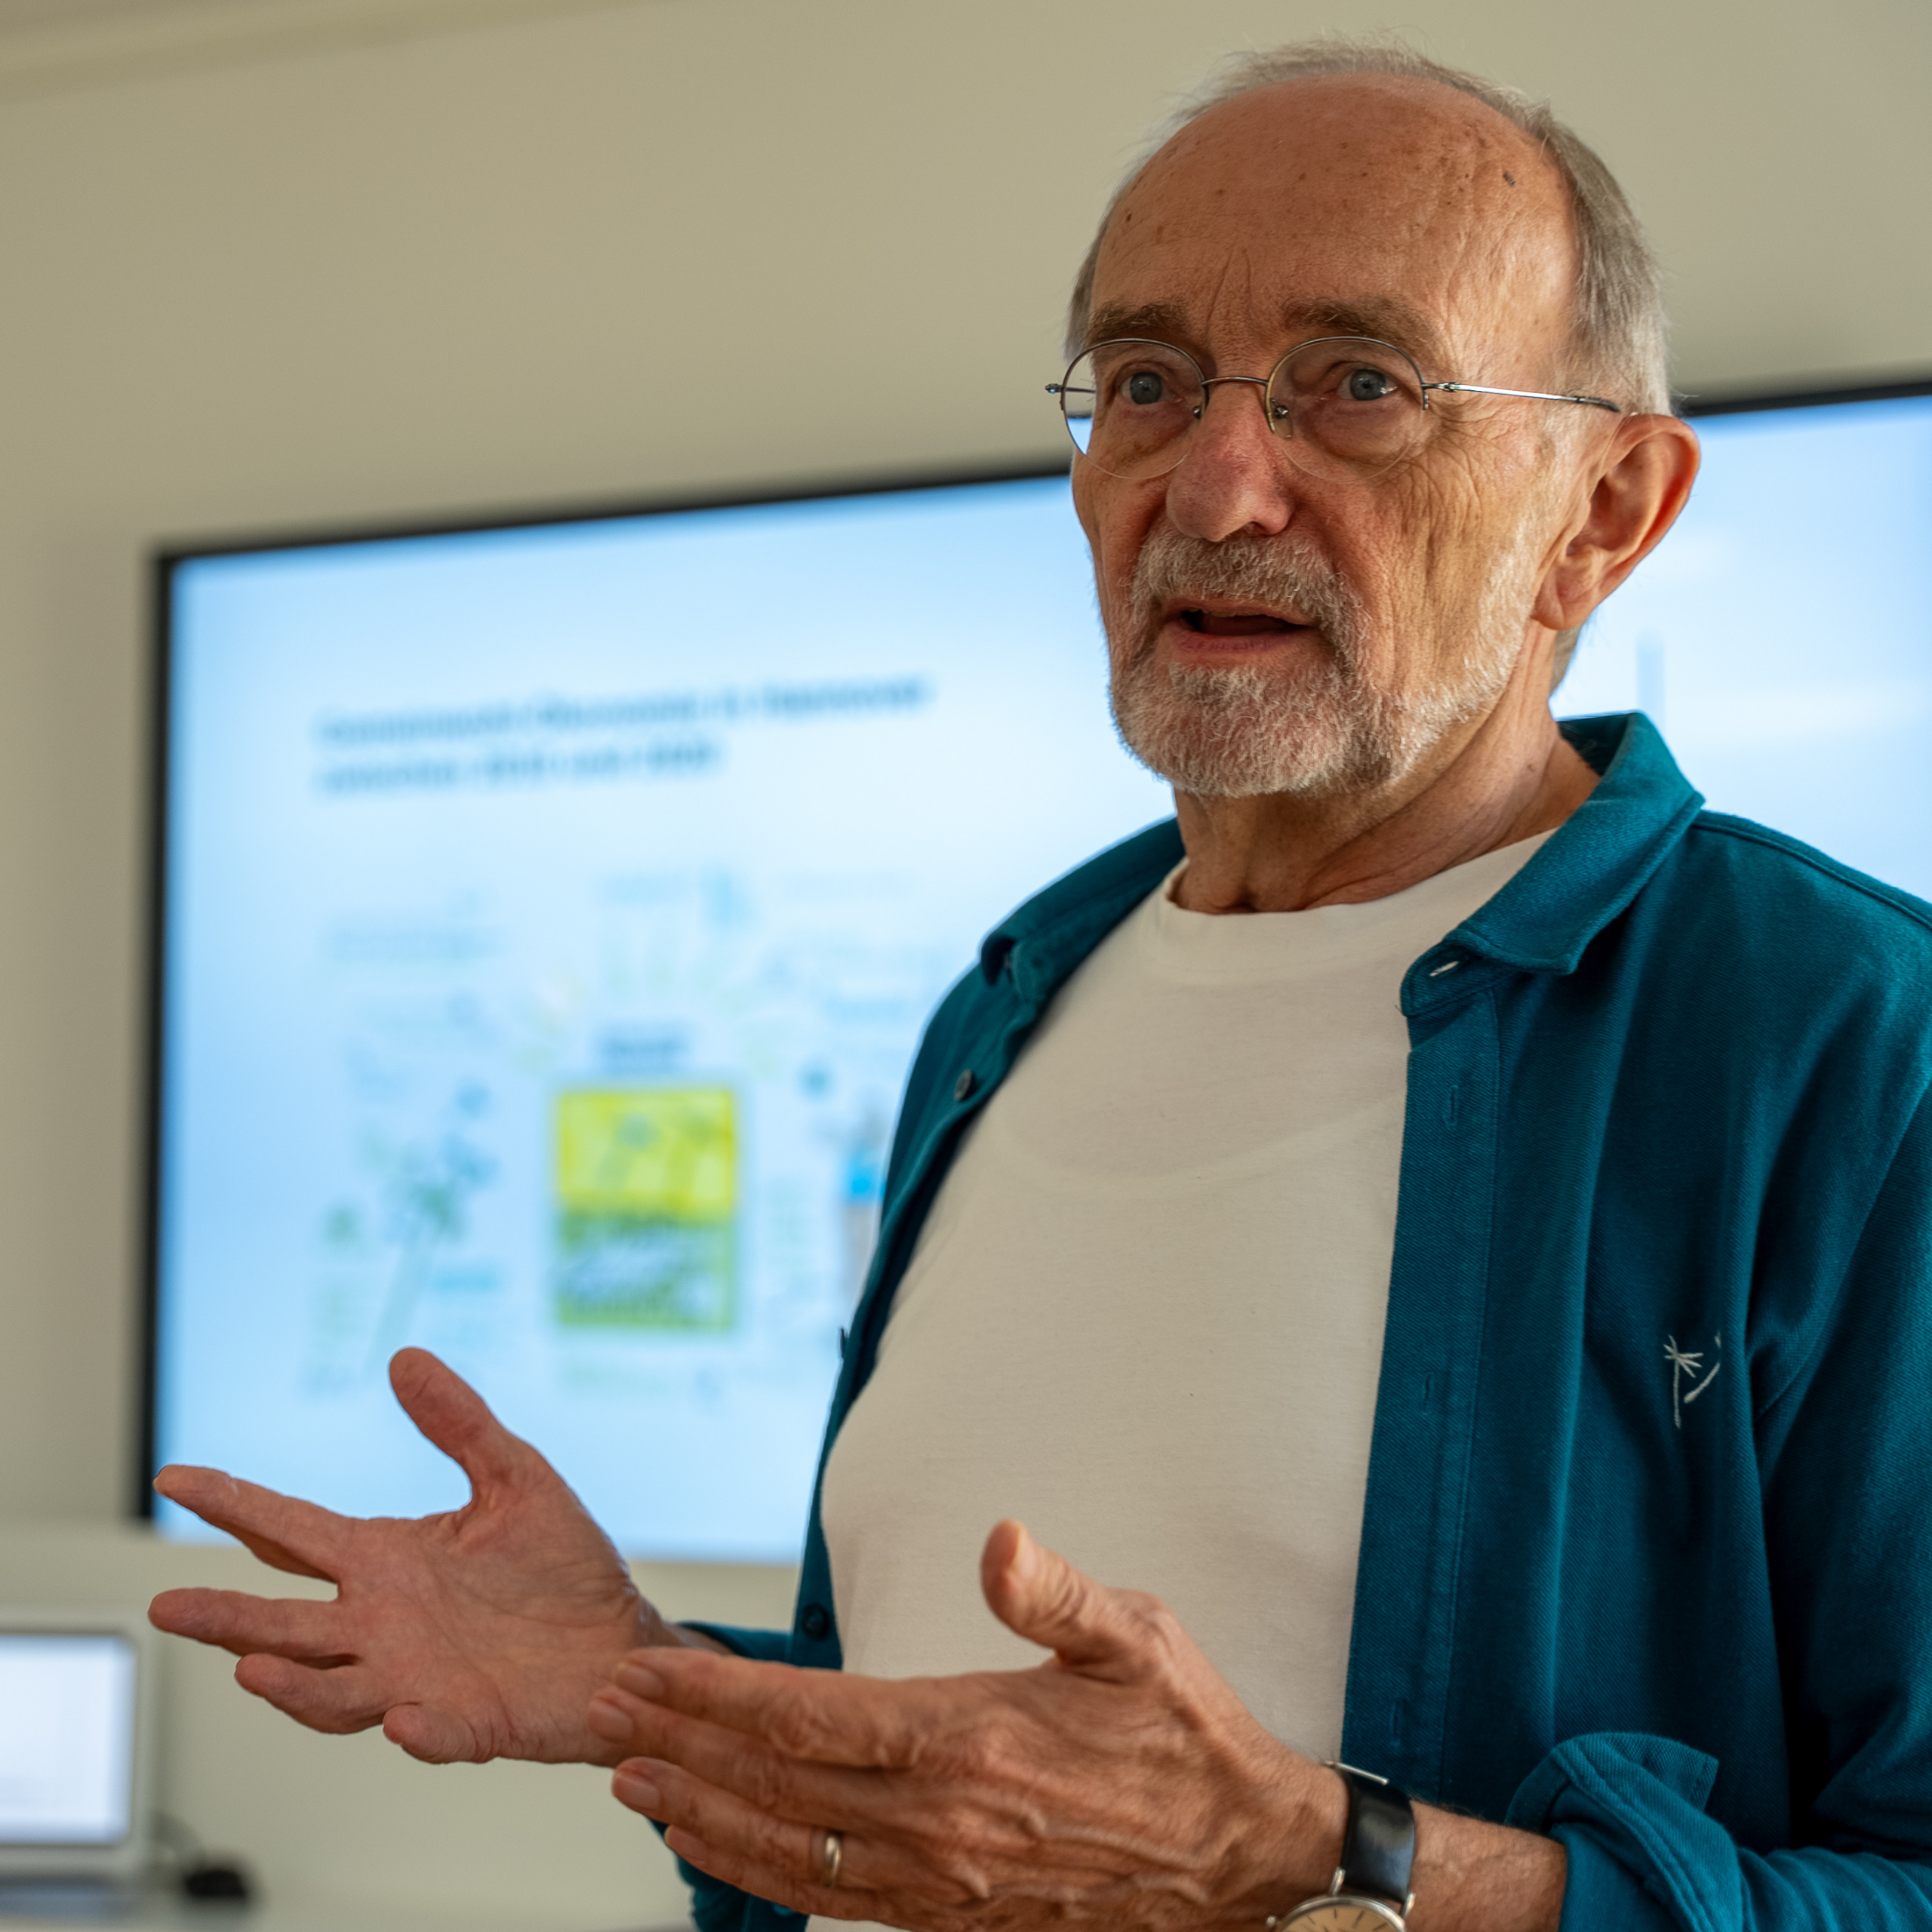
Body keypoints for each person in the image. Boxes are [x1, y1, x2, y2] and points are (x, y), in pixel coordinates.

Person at [149, 39, 1932, 1932]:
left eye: (1359, 386)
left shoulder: (1842, 1043)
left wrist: (1343, 1862)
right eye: (1148, 385)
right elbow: (983, 1776)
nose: (1218, 480)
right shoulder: (1013, 1004)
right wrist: (641, 1678)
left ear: (1603, 512)